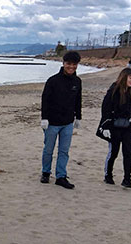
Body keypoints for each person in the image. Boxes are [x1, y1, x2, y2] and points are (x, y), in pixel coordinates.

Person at [40, 51, 82, 189]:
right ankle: (46, 172)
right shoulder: (53, 81)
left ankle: (61, 176)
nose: (71, 67)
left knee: (64, 151)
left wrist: (78, 117)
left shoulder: (77, 81)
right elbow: (45, 100)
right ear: (63, 63)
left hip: (68, 122)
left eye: (74, 64)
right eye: (68, 64)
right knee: (48, 150)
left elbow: (78, 100)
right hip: (52, 122)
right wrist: (44, 118)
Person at [99, 68, 131, 188]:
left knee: (128, 153)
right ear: (124, 77)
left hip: (128, 127)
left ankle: (127, 179)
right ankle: (108, 175)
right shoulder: (113, 91)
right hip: (114, 127)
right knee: (113, 152)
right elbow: (106, 110)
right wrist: (105, 127)